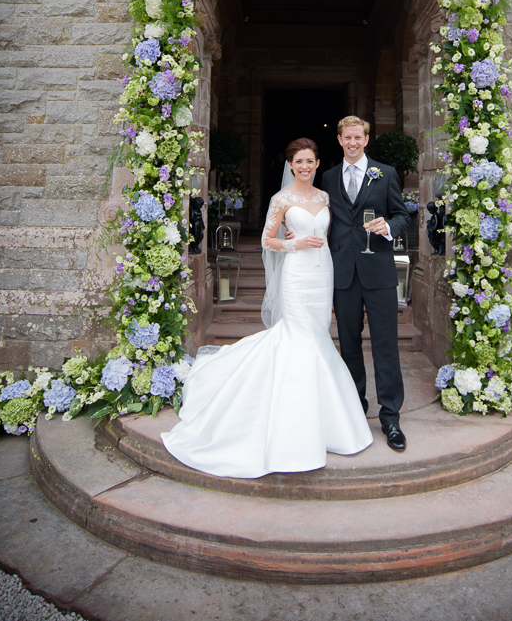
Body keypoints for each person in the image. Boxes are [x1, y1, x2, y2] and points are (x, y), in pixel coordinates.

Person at [161, 137, 372, 479]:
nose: (304, 166)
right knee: (299, 340)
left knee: (319, 337)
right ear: (290, 165)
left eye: (310, 161)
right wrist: (295, 243)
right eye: (298, 161)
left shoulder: (325, 197)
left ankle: (323, 419)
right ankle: (295, 424)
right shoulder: (281, 199)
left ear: (318, 164)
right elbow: (266, 240)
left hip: (324, 275)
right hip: (297, 274)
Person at [321, 117, 409, 452]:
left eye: (358, 137)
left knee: (386, 344)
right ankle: (355, 408)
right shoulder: (328, 177)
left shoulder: (385, 173)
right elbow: (321, 218)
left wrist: (389, 227)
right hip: (343, 273)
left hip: (379, 272)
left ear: (366, 139)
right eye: (347, 137)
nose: (353, 142)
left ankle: (391, 416)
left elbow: (402, 215)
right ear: (340, 140)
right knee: (348, 345)